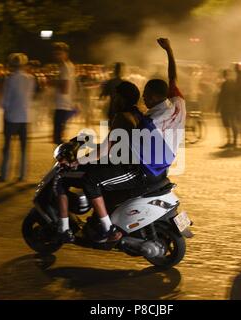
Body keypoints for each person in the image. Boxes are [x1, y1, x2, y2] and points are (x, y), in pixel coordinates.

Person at [56, 38, 186, 243]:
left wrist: (77, 161)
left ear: (152, 96)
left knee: (92, 180)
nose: (144, 99)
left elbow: (107, 148)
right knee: (103, 170)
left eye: (146, 96)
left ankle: (108, 230)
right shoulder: (178, 104)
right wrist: (169, 50)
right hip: (162, 167)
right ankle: (103, 220)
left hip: (144, 171)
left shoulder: (147, 121)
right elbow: (173, 77)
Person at [0, 53, 35, 182]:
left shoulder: (10, 79)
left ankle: (4, 174)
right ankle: (22, 174)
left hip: (11, 116)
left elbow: (5, 100)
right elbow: (30, 96)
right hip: (25, 116)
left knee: (7, 147)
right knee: (24, 148)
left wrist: (3, 108)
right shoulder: (30, 79)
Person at [52, 42, 76, 145]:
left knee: (58, 138)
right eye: (56, 53)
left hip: (62, 104)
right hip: (65, 104)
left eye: (59, 53)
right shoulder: (69, 66)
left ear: (66, 54)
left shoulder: (65, 67)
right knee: (59, 136)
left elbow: (65, 88)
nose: (57, 56)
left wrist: (54, 83)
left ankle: (61, 159)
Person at [216, 69, 237, 149]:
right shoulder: (234, 83)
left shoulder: (224, 84)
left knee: (227, 125)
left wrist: (217, 108)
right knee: (233, 124)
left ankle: (229, 141)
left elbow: (221, 96)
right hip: (233, 107)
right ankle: (234, 141)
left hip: (225, 107)